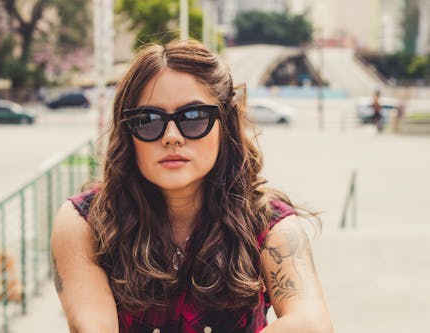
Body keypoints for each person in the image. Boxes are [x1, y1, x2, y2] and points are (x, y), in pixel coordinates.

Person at [51, 39, 333, 333]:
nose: (171, 136)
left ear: (225, 124)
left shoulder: (270, 224)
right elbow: (94, 327)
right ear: (128, 133)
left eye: (194, 117)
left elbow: (311, 324)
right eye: (149, 120)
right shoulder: (85, 222)